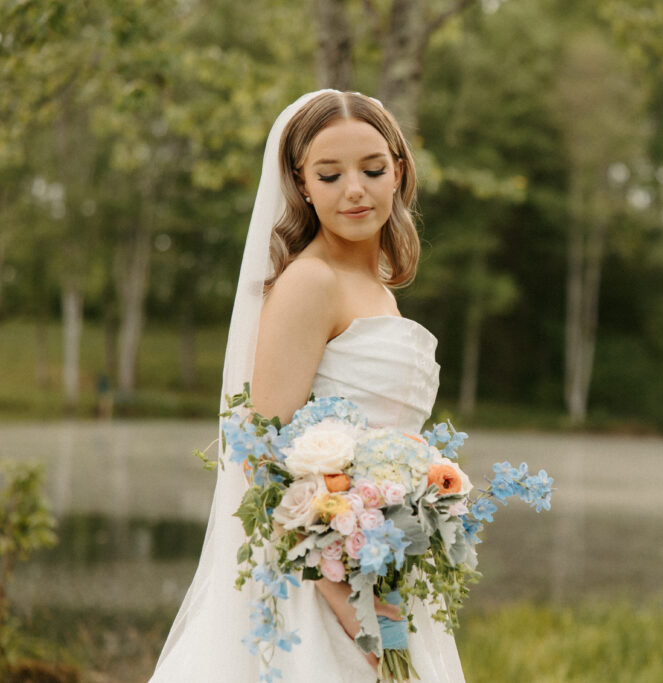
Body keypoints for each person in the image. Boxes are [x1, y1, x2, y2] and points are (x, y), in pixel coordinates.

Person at [150, 90, 465, 682]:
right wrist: (362, 617)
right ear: (302, 183)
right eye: (330, 174)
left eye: (373, 170)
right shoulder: (309, 283)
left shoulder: (377, 289)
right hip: (320, 594)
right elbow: (264, 463)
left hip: (381, 571)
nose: (355, 189)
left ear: (398, 172)